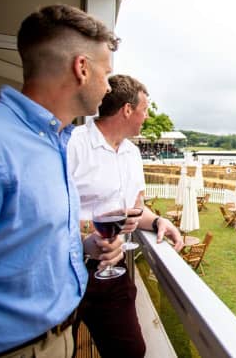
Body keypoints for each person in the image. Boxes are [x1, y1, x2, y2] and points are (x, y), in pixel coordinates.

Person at [0, 4, 124, 358]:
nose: (109, 86)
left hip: (60, 339)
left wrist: (87, 246)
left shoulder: (56, 143)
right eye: (106, 73)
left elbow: (20, 245)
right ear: (81, 68)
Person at [67, 74, 184, 357]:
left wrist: (157, 221)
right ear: (127, 109)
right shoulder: (73, 144)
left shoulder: (132, 153)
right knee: (63, 350)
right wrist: (88, 235)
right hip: (67, 269)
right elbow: (54, 212)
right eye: (144, 110)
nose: (145, 117)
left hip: (113, 268)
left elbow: (136, 207)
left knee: (130, 350)